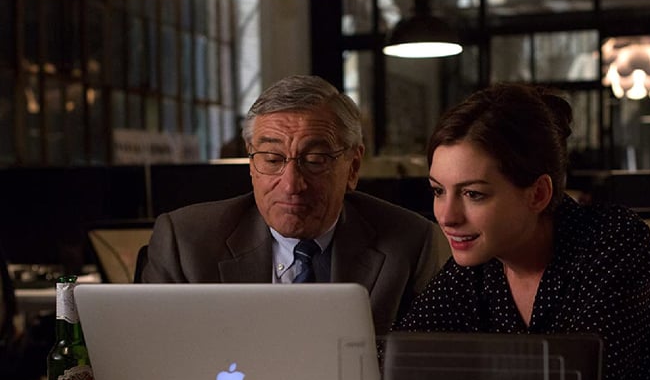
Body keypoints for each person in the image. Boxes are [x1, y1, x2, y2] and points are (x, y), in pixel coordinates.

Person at [392, 82, 650, 380]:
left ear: (538, 194)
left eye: (473, 194)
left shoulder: (614, 240)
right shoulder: (475, 266)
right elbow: (398, 364)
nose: (446, 215)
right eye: (438, 191)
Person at [140, 74, 447, 336]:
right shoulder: (186, 241)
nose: (291, 185)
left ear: (353, 167)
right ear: (251, 162)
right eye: (272, 160)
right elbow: (154, 356)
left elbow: (422, 369)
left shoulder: (409, 242)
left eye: (315, 160)